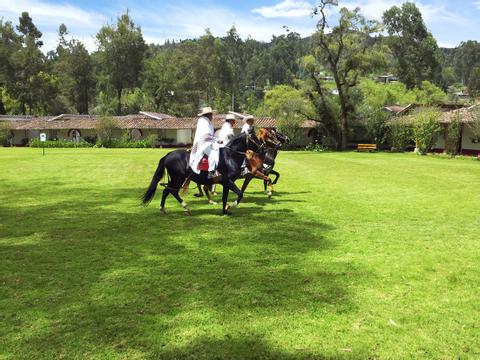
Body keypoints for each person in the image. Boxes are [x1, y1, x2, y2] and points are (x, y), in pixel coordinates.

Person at [189, 107, 220, 176]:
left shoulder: (206, 121)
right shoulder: (204, 122)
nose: (212, 116)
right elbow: (206, 136)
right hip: (203, 144)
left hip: (207, 142)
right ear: (208, 115)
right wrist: (217, 140)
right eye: (211, 115)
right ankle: (211, 171)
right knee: (214, 152)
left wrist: (215, 139)